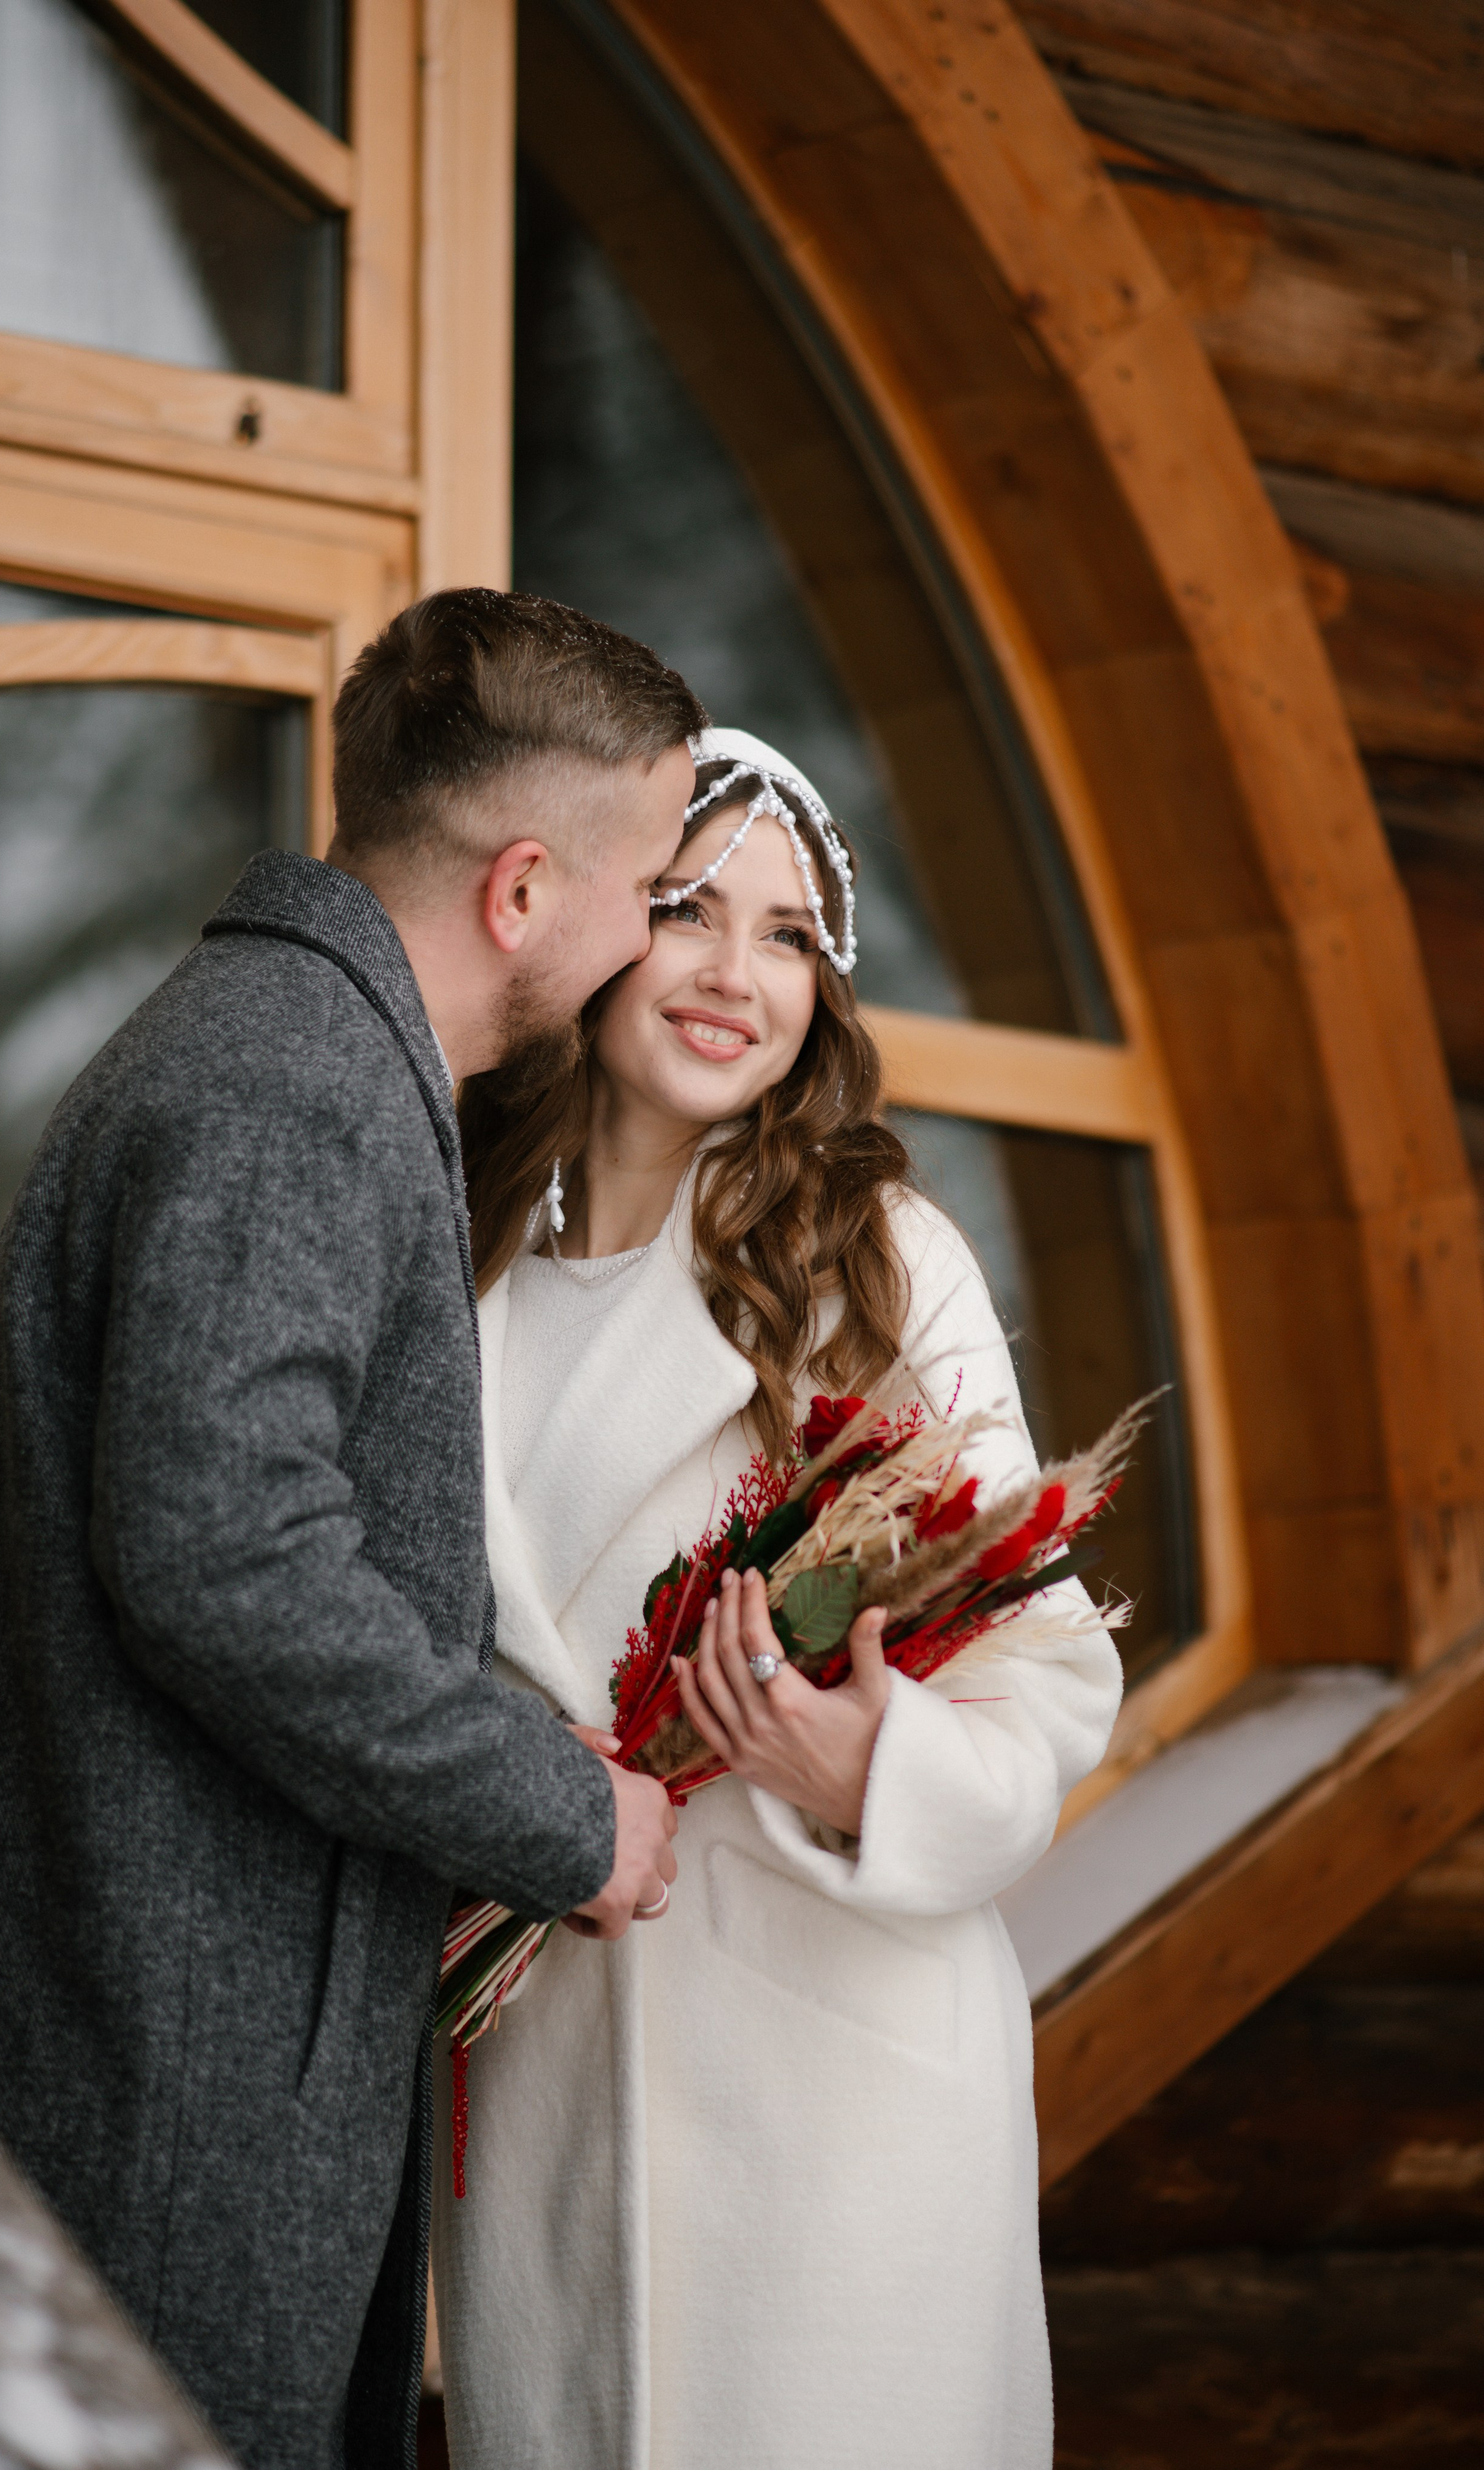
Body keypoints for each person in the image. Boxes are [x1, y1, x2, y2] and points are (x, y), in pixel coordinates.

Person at [0, 590, 701, 2470]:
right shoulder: (291, 1085)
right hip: (151, 2071)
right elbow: (225, 1553)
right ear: (524, 889)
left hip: (161, 2040)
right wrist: (556, 1812)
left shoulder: (292, 1052)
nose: (659, 936)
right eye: (653, 885)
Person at [437, 728, 1124, 2470]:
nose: (738, 975)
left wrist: (867, 1768)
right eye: (686, 911)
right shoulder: (462, 1259)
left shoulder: (881, 1262)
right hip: (549, 2090)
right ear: (592, 926)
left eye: (792, 934)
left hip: (830, 2094)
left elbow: (1049, 1673)